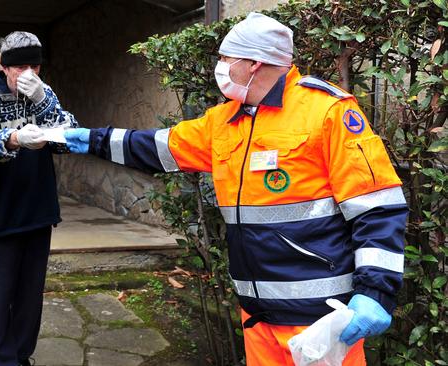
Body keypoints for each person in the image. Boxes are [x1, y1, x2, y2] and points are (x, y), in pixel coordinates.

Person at [64, 13, 407, 365]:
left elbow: (377, 206)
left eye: (227, 59)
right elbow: (156, 147)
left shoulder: (327, 112)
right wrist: (88, 140)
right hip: (257, 318)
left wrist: (375, 291)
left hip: (319, 323)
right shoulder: (226, 121)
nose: (221, 67)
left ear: (254, 64)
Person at [0, 31, 79, 366]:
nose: (28, 73)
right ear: (4, 68)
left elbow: (68, 136)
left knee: (29, 297)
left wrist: (44, 100)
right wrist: (14, 138)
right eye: (20, 67)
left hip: (36, 209)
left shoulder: (43, 94)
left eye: (34, 66)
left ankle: (19, 355)